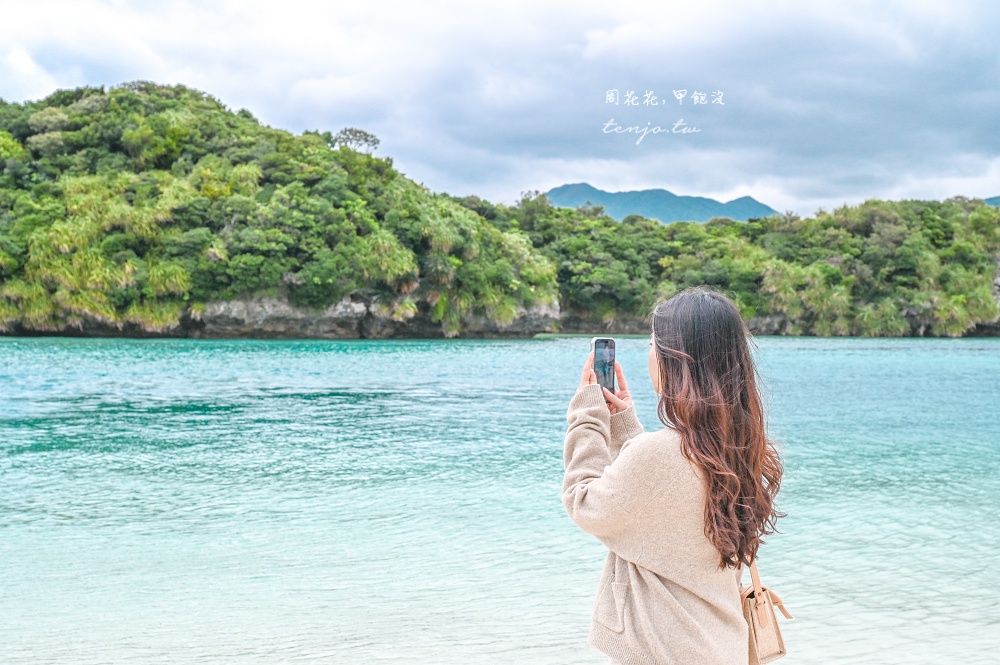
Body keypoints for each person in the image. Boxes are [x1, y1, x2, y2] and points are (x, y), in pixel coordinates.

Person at [562, 286, 784, 665]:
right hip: (719, 645)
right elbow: (665, 500)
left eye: (653, 344)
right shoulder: (735, 446)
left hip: (666, 653)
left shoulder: (664, 453)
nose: (650, 354)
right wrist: (623, 424)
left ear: (676, 359)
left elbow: (585, 503)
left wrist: (587, 417)